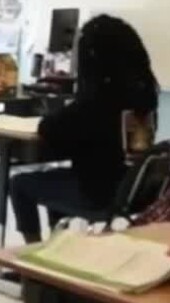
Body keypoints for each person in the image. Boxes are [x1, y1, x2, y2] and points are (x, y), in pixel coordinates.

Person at [10, 15, 160, 244]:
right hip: (134, 192)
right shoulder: (145, 100)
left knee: (19, 184)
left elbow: (50, 130)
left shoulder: (95, 103)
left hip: (98, 194)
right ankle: (58, 249)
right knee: (55, 178)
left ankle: (33, 260)